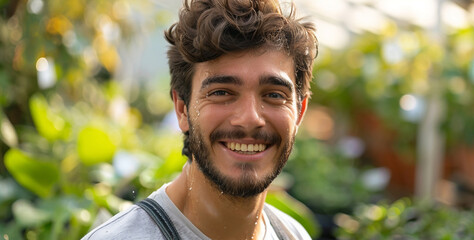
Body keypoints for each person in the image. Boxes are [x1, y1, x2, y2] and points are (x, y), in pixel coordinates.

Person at [82, 0, 317, 239]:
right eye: (221, 93)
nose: (249, 119)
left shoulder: (293, 234)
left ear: (299, 112)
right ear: (182, 109)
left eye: (274, 95)